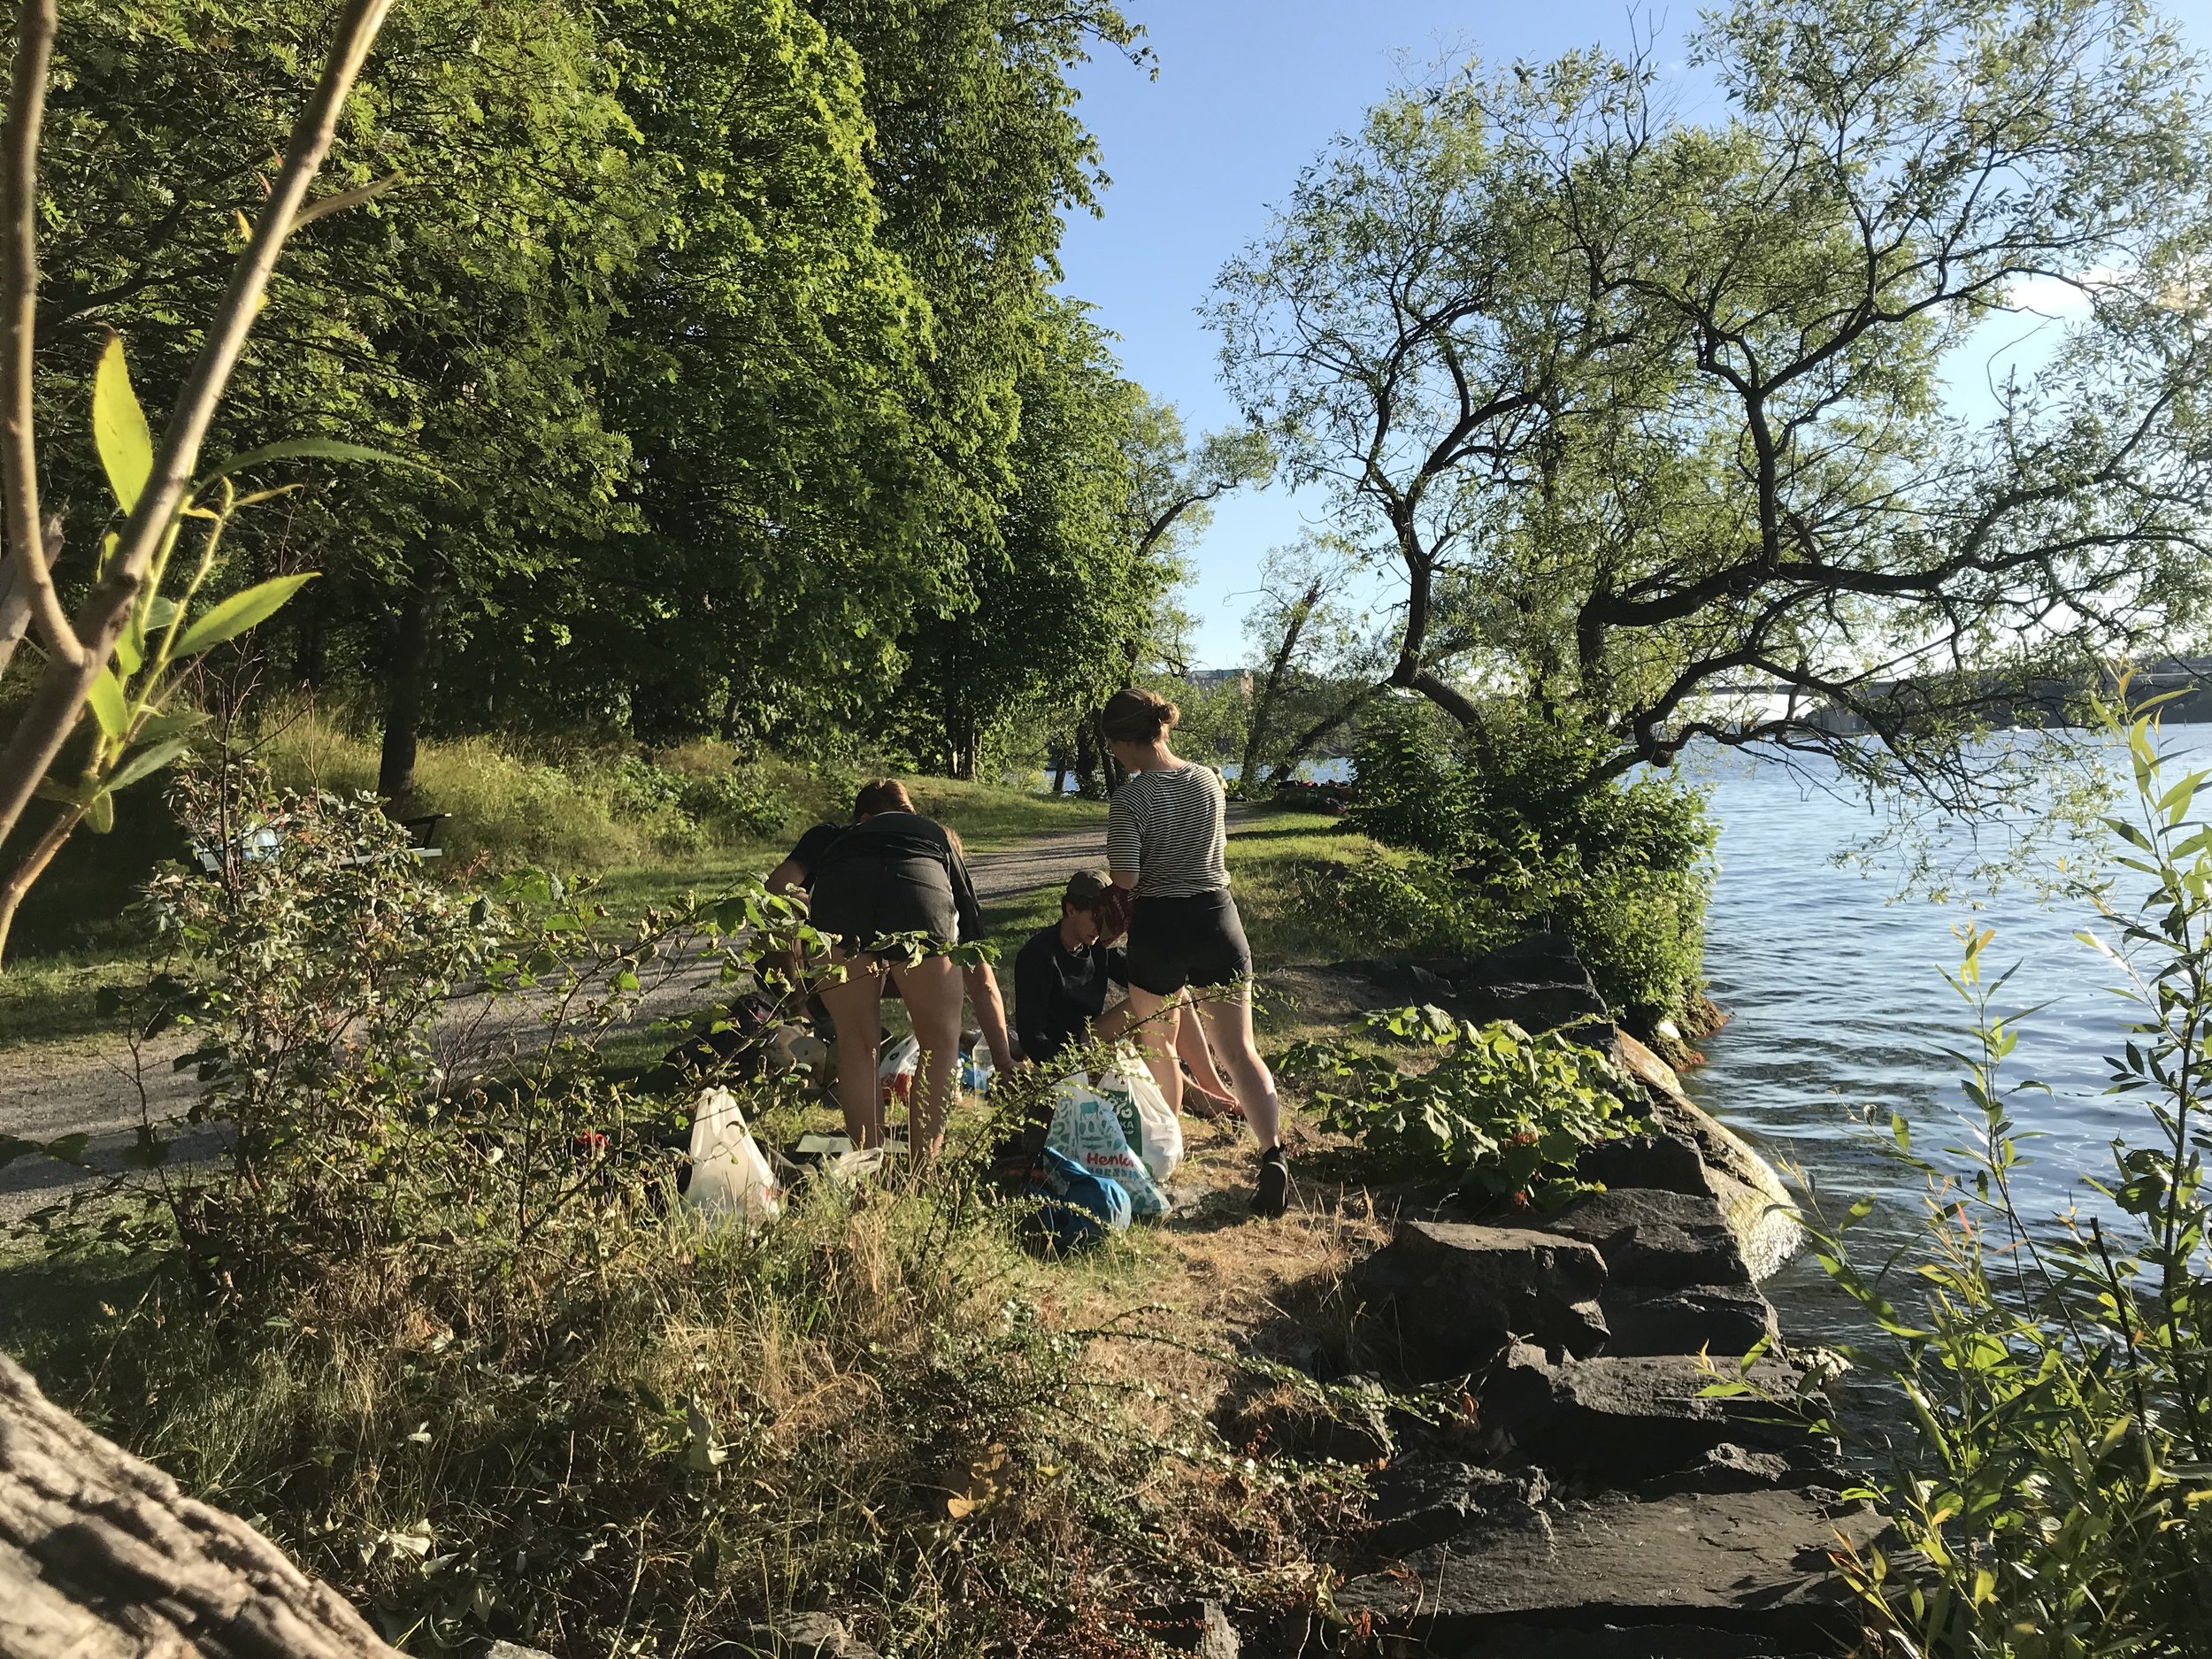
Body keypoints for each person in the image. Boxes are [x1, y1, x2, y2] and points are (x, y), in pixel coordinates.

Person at [1101, 687, 1289, 1214]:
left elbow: (1126, 877)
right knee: (1240, 1050)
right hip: (1215, 918)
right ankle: (1272, 1151)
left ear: (1122, 741)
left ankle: (1168, 1159)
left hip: (1160, 925)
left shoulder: (1131, 797)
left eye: (1113, 744)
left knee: (1161, 1048)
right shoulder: (1207, 778)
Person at [767, 780, 1015, 1156]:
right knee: (939, 1043)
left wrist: (797, 976)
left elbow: (776, 891)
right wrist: (1003, 1058)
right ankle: (921, 1170)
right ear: (908, 813)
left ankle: (867, 1165)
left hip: (840, 894)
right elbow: (978, 965)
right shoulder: (934, 835)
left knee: (856, 1044)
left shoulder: (836, 837)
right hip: (918, 892)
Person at [1012, 871, 1241, 1115]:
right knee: (1155, 1002)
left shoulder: (1096, 947)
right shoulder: (1040, 956)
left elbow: (1138, 972)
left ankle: (1209, 1087)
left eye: (1108, 920)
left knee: (1170, 996)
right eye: (1096, 917)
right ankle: (1195, 1097)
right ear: (1070, 910)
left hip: (1097, 1045)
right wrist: (1066, 1067)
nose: (1101, 928)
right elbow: (1030, 1033)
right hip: (1070, 1053)